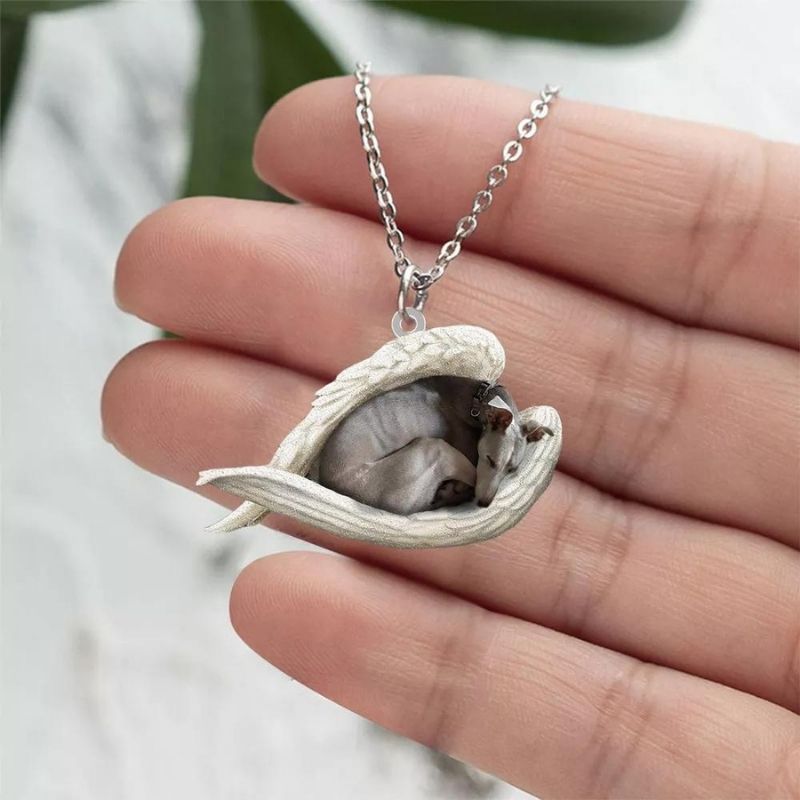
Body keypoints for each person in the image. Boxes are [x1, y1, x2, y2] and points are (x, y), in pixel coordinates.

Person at [102, 76, 800, 798]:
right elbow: (467, 466)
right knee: (440, 457)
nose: (499, 455)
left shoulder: (462, 415)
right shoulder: (457, 416)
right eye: (501, 450)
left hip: (397, 476)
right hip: (376, 474)